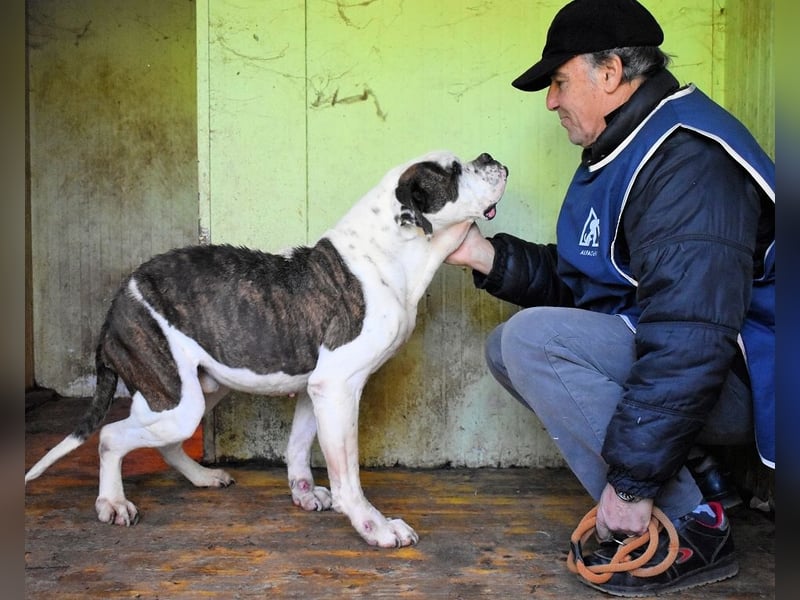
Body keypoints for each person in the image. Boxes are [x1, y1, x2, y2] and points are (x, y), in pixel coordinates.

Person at [446, 0, 775, 595]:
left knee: (532, 341)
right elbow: (591, 285)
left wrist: (629, 487)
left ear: (610, 73)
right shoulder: (630, 143)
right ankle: (695, 473)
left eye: (559, 81)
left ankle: (695, 524)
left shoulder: (687, 159)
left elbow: (691, 338)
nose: (550, 100)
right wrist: (484, 257)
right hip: (709, 371)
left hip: (748, 381)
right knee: (507, 347)